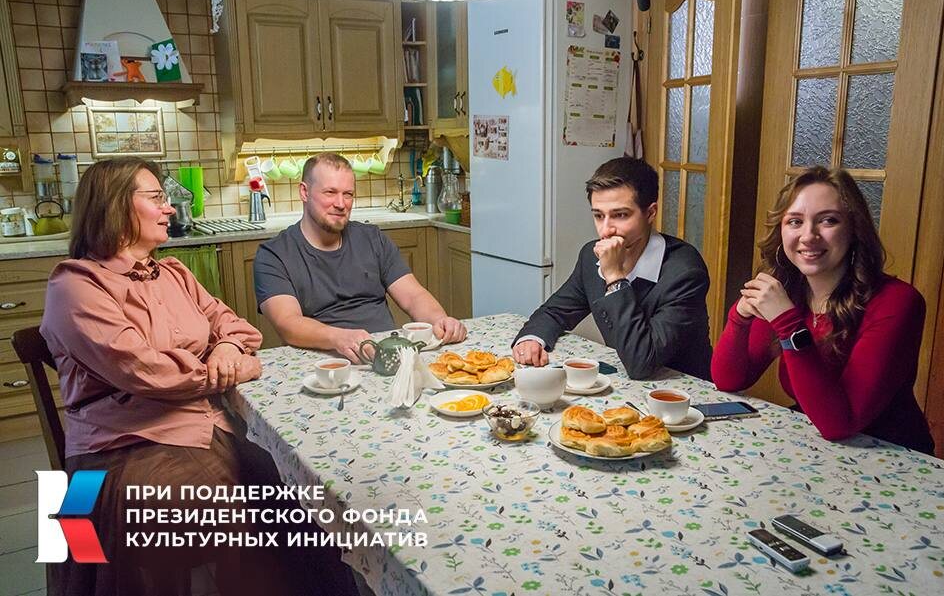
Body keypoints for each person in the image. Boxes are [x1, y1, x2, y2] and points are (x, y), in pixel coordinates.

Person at [40, 158, 357, 596]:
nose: (170, 208)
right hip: (122, 446)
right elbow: (148, 372)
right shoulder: (75, 286)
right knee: (242, 518)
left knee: (305, 490)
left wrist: (227, 349)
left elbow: (236, 326)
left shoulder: (174, 273)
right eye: (156, 198)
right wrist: (231, 368)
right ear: (115, 205)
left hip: (205, 424)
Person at [711, 167, 934, 454]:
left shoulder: (897, 301)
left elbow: (841, 422)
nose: (808, 236)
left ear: (854, 229)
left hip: (892, 455)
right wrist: (740, 317)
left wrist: (788, 324)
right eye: (795, 221)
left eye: (828, 220)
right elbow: (729, 379)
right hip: (817, 447)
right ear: (781, 231)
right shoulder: (789, 291)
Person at [511, 157, 712, 380]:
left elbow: (642, 363)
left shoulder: (685, 271)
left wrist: (615, 278)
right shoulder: (591, 256)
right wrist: (532, 338)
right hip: (627, 385)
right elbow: (555, 311)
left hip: (685, 391)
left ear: (650, 213)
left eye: (620, 215)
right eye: (598, 215)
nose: (605, 230)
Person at [254, 152, 466, 361]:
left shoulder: (372, 238)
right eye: (330, 192)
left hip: (384, 355)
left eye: (348, 194)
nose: (341, 203)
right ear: (304, 192)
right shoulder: (274, 255)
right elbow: (288, 323)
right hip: (323, 363)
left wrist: (440, 320)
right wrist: (339, 338)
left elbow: (414, 296)